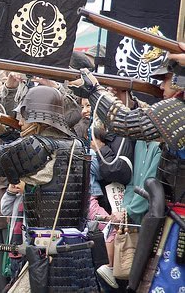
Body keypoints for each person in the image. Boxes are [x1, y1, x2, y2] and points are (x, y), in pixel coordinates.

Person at [0, 85, 98, 292]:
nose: (19, 121)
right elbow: (21, 152)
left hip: (49, 254)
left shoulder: (41, 146)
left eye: (24, 115)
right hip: (73, 252)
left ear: (37, 117)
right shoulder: (76, 145)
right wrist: (7, 134)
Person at [69, 48, 185, 291]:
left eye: (165, 79)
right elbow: (141, 117)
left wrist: (94, 89)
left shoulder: (180, 110)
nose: (161, 86)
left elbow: (125, 123)